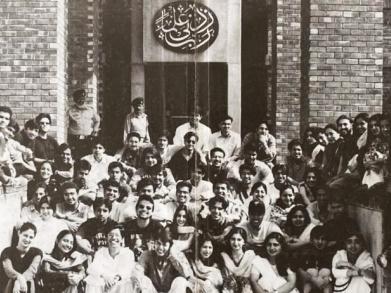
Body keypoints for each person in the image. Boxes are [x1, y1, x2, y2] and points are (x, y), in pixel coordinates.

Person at [85, 224, 138, 293]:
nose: (113, 238)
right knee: (92, 280)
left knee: (127, 281)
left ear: (122, 239)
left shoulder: (128, 253)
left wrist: (117, 278)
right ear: (107, 238)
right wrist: (105, 277)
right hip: (104, 283)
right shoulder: (101, 252)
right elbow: (93, 267)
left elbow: (128, 269)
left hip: (120, 283)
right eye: (110, 235)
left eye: (117, 235)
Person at [0, 222, 42, 293]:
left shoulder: (37, 252)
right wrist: (19, 277)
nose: (27, 239)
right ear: (19, 233)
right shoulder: (7, 251)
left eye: (31, 237)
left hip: (28, 288)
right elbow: (8, 270)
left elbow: (31, 271)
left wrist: (18, 282)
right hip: (9, 288)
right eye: (25, 235)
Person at [123, 195, 163, 260]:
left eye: (148, 208)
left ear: (152, 212)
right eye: (141, 207)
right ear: (136, 209)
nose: (144, 209)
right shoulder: (128, 226)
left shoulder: (158, 227)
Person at [297, 226, 334, 293]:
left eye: (323, 239)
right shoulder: (306, 253)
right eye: (317, 238)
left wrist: (328, 279)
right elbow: (300, 270)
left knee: (325, 271)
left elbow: (333, 272)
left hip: (324, 284)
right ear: (311, 240)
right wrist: (313, 279)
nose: (320, 242)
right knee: (312, 271)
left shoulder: (330, 254)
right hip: (310, 284)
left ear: (327, 241)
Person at [220, 227, 256, 293]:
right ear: (229, 240)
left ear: (244, 241)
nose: (235, 243)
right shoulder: (224, 257)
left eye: (239, 239)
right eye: (233, 239)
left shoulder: (250, 256)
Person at [67, 89, 100, 159]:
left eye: (82, 98)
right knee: (75, 159)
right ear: (75, 100)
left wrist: (95, 130)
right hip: (75, 140)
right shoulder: (70, 110)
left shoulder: (90, 110)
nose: (81, 100)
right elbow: (66, 123)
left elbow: (97, 120)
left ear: (85, 99)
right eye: (78, 99)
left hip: (88, 140)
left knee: (88, 159)